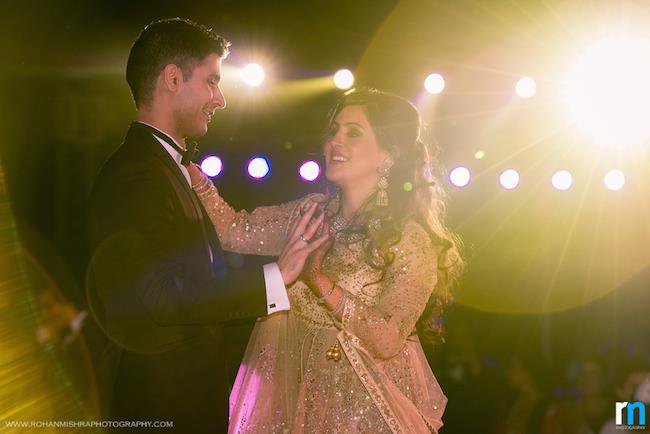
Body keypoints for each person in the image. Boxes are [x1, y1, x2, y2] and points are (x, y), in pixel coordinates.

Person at [86, 18, 327, 432]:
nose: (221, 99)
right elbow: (159, 296)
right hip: (158, 408)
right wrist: (275, 278)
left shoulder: (166, 169)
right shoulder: (135, 174)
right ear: (173, 79)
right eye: (212, 81)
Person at [189, 88, 464, 433]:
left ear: (387, 156)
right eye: (333, 130)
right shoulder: (311, 214)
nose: (335, 141)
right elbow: (234, 230)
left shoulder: (409, 239)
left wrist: (318, 280)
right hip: (304, 411)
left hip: (369, 416)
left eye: (353, 132)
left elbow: (388, 339)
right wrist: (194, 179)